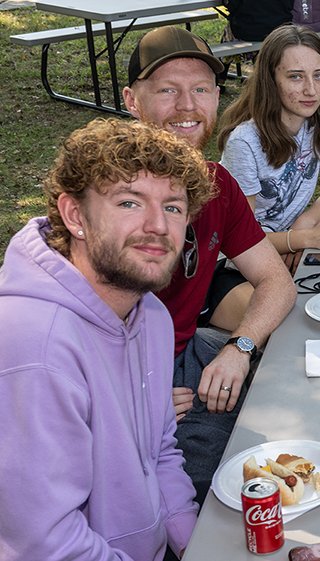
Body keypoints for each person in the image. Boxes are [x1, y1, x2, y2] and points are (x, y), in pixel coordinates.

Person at [0, 118, 208, 561]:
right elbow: (44, 550)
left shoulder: (148, 313)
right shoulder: (33, 349)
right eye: (130, 202)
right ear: (76, 215)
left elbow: (159, 451)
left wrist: (200, 550)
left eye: (174, 208)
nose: (157, 225)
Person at [122, 26, 297, 498]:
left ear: (217, 99)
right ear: (131, 101)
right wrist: (137, 396)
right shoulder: (111, 197)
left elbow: (277, 283)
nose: (186, 106)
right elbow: (67, 340)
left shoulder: (217, 183)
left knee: (287, 401)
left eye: (200, 90)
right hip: (123, 382)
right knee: (207, 489)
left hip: (183, 358)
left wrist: (238, 350)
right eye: (166, 90)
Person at [218, 24, 320, 272]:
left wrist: (304, 223)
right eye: (295, 76)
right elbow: (239, 240)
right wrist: (303, 239)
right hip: (245, 260)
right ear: (271, 80)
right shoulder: (244, 142)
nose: (311, 90)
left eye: (318, 75)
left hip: (296, 241)